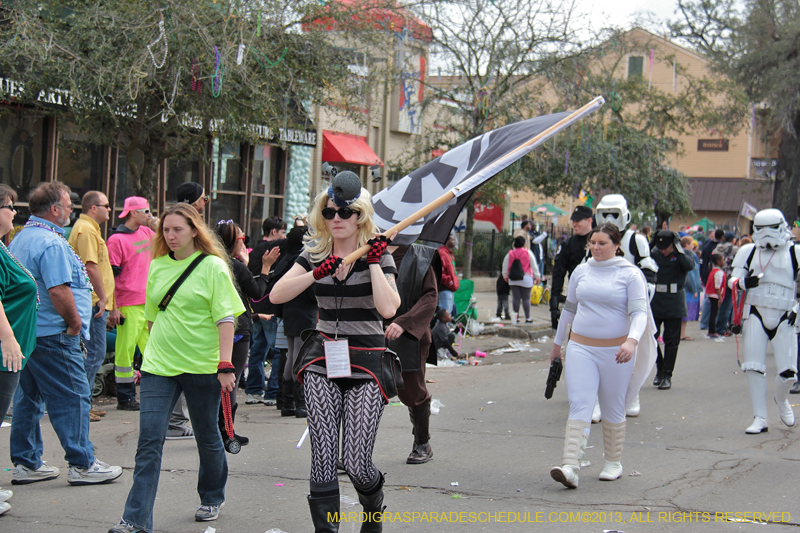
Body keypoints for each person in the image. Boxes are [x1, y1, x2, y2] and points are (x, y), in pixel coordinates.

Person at [270, 171, 400, 532]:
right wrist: (315, 273)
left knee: (357, 461)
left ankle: (373, 509)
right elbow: (276, 295)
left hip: (369, 361)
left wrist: (373, 261)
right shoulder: (314, 253)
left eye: (345, 212)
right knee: (324, 455)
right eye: (329, 213)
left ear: (360, 214)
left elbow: (389, 309)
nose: (337, 219)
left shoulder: (378, 252)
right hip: (322, 359)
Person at [109, 204, 245, 533]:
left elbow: (226, 318)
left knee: (207, 436)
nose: (170, 236)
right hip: (159, 367)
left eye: (177, 230)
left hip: (203, 366)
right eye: (166, 230)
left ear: (194, 231)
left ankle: (212, 495)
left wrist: (225, 365)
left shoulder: (213, 266)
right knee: (148, 443)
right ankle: (135, 521)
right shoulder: (156, 266)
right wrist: (151, 354)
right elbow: (154, 318)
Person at [9, 181, 123, 486]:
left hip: (32, 331)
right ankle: (82, 463)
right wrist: (74, 324)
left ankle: (27, 461)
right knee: (73, 396)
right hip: (54, 333)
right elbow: (59, 290)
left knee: (28, 398)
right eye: (67, 205)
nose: (71, 210)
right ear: (55, 209)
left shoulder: (21, 239)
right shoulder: (50, 242)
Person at [548, 223, 656, 489]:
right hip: (580, 348)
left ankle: (613, 462)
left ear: (616, 244)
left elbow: (640, 313)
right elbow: (569, 310)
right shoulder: (581, 272)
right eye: (592, 243)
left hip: (616, 351)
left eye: (602, 243)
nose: (595, 247)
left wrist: (631, 341)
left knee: (612, 407)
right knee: (580, 403)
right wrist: (557, 344)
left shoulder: (630, 274)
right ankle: (570, 466)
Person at [729, 209, 799, 434]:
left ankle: (781, 400)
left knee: (788, 372)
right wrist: (743, 283)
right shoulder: (749, 251)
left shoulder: (795, 252)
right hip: (756, 312)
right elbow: (733, 279)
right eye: (761, 229)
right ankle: (760, 416)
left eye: (772, 229)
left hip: (785, 314)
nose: (767, 235)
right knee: (753, 366)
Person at [214, 220, 272, 448]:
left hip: (217, 329)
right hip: (237, 330)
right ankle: (226, 432)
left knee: (220, 383)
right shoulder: (234, 266)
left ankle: (220, 430)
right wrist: (265, 269)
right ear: (234, 242)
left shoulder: (213, 263)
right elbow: (257, 294)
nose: (245, 241)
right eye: (242, 238)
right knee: (230, 384)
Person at [0, 185, 39, 516]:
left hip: (12, 349)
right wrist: (8, 338)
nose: (15, 212)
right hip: (4, 350)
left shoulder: (3, 246)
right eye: (10, 206)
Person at [386, 242, 440, 465]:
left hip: (409, 335)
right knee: (362, 392)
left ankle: (422, 442)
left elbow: (430, 297)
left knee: (411, 391)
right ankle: (354, 451)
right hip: (370, 332)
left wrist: (404, 322)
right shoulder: (365, 253)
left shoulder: (420, 257)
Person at [68, 190, 114, 421]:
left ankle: (84, 402)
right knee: (93, 353)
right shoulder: (85, 230)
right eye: (106, 205)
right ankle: (80, 405)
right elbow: (90, 266)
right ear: (93, 208)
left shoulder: (90, 229)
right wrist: (102, 297)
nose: (109, 209)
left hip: (95, 301)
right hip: (93, 302)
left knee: (92, 353)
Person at [107, 197, 155, 411]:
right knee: (125, 351)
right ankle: (125, 397)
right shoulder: (116, 240)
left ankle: (153, 392)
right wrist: (114, 307)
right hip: (127, 302)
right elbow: (110, 277)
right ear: (133, 213)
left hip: (148, 302)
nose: (150, 215)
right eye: (146, 211)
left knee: (152, 349)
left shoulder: (146, 232)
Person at [273, 225, 316, 418]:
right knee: (299, 354)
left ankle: (286, 401)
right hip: (304, 311)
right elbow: (310, 290)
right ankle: (299, 403)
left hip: (288, 310)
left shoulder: (287, 259)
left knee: (291, 353)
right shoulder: (303, 260)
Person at [246, 216, 287, 406]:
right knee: (277, 350)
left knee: (257, 350)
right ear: (274, 233)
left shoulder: (254, 251)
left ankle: (253, 391)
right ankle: (271, 392)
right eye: (283, 232)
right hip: (270, 307)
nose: (284, 237)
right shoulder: (275, 249)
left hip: (256, 307)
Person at [649, 230, 696, 390]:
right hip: (656, 299)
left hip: (675, 299)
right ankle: (659, 369)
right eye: (660, 246)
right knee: (651, 337)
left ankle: (667, 375)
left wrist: (678, 249)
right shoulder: (655, 254)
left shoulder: (682, 255)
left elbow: (689, 265)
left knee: (671, 340)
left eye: (666, 247)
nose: (663, 250)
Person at [549, 205, 593, 330]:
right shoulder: (568, 245)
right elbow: (558, 274)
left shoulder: (599, 242)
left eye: (578, 221)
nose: (574, 224)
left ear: (589, 220)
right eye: (573, 221)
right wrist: (554, 305)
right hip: (576, 297)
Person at [502, 236, 540, 324]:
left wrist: (505, 276)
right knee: (526, 298)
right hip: (526, 278)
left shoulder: (510, 253)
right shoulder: (528, 252)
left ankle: (516, 318)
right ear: (524, 244)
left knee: (516, 298)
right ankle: (528, 318)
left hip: (513, 278)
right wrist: (537, 276)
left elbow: (505, 264)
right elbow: (534, 265)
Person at [713, 232, 739, 335]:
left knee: (718, 303)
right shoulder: (734, 249)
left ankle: (716, 325)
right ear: (732, 240)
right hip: (729, 279)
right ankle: (722, 328)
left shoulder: (717, 248)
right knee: (727, 304)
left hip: (718, 276)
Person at [699, 229, 724, 330]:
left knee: (707, 298)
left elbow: (703, 261)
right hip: (713, 275)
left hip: (706, 273)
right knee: (712, 301)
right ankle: (709, 324)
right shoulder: (718, 248)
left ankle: (704, 323)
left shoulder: (707, 246)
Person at [680, 237, 702, 341]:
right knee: (686, 312)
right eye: (691, 244)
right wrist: (694, 289)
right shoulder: (689, 256)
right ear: (687, 244)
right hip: (688, 289)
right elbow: (690, 274)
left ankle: (681, 333)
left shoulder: (682, 254)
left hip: (685, 288)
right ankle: (682, 333)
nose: (693, 246)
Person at [704, 253, 726, 340]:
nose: (724, 262)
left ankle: (711, 330)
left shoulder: (713, 271)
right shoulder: (719, 272)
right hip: (715, 295)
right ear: (718, 261)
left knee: (713, 313)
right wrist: (720, 297)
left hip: (711, 294)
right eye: (723, 260)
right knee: (714, 313)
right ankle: (712, 331)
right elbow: (717, 286)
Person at [437, 234, 459, 316]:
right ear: (446, 241)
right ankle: (442, 328)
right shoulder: (442, 253)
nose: (454, 241)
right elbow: (440, 272)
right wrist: (449, 281)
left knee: (449, 312)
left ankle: (446, 328)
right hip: (445, 288)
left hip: (449, 288)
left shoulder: (449, 254)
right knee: (445, 314)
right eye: (452, 240)